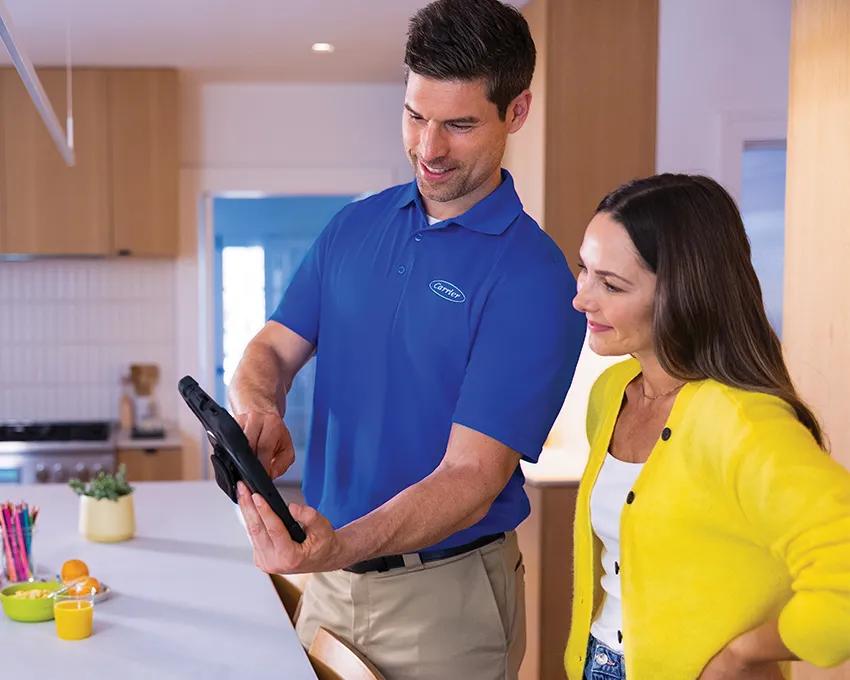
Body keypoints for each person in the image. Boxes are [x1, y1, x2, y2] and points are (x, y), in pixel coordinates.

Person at [228, 1, 586, 677]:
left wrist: (334, 547)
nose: (428, 148)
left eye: (458, 124)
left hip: (443, 604)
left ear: (517, 113)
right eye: (415, 115)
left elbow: (471, 478)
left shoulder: (533, 278)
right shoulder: (354, 227)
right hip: (330, 586)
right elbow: (270, 350)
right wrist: (261, 409)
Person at [564, 173, 850, 679]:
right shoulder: (610, 395)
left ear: (681, 292)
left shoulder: (742, 421)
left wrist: (749, 652)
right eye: (583, 271)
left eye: (610, 284)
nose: (582, 298)